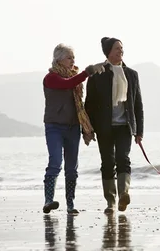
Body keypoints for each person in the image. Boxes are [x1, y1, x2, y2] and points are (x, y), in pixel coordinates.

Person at [42, 43, 104, 215]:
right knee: (55, 163)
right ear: (59, 59)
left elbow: (75, 87)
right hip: (54, 126)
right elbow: (67, 84)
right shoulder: (51, 77)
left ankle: (70, 204)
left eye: (73, 57)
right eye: (69, 57)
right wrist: (88, 71)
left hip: (72, 127)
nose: (72, 60)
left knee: (71, 168)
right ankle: (48, 200)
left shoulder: (74, 76)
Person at [85, 37, 144, 214]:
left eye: (122, 48)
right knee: (108, 162)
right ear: (108, 52)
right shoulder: (97, 74)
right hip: (104, 126)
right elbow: (89, 104)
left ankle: (123, 194)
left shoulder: (132, 74)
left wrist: (139, 131)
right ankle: (110, 201)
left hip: (125, 126)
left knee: (123, 159)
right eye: (117, 48)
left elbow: (138, 104)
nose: (121, 51)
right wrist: (87, 129)